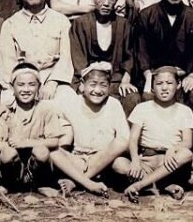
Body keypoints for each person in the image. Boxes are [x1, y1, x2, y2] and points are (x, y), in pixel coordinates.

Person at [0, 0, 77, 111]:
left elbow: (66, 58)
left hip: (53, 80)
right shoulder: (10, 24)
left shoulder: (61, 21)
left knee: (69, 101)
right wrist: (25, 85)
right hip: (21, 82)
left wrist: (52, 82)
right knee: (8, 106)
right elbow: (6, 63)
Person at [48, 63, 131, 197]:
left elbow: (125, 139)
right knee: (52, 151)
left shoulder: (113, 105)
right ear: (82, 85)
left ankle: (78, 182)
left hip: (104, 161)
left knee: (120, 147)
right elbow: (50, 113)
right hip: (79, 160)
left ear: (109, 86)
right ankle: (89, 182)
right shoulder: (72, 103)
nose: (97, 90)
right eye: (92, 84)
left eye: (103, 85)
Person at [0, 62, 73, 192]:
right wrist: (13, 145)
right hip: (16, 164)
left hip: (36, 164)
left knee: (42, 152)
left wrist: (26, 143)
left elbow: (54, 141)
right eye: (21, 85)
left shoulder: (46, 108)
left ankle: (40, 184)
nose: (26, 90)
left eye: (32, 85)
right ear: (12, 87)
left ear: (39, 87)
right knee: (7, 154)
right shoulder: (7, 111)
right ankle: (12, 185)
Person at [128, 0, 193, 102]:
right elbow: (141, 50)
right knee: (148, 96)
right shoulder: (147, 15)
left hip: (183, 75)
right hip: (154, 75)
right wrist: (148, 76)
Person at [118, 66, 193, 201]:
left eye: (169, 83)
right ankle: (162, 183)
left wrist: (173, 149)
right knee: (118, 163)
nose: (164, 88)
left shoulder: (184, 111)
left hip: (169, 162)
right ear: (152, 87)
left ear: (178, 85)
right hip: (146, 161)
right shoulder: (142, 108)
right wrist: (135, 160)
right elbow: (133, 139)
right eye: (159, 84)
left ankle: (141, 184)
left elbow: (187, 142)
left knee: (186, 154)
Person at [71, 0, 138, 113]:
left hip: (115, 81)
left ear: (116, 0)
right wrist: (89, 83)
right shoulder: (80, 24)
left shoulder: (123, 25)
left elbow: (129, 56)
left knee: (133, 98)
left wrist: (126, 80)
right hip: (88, 80)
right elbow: (79, 60)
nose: (106, 3)